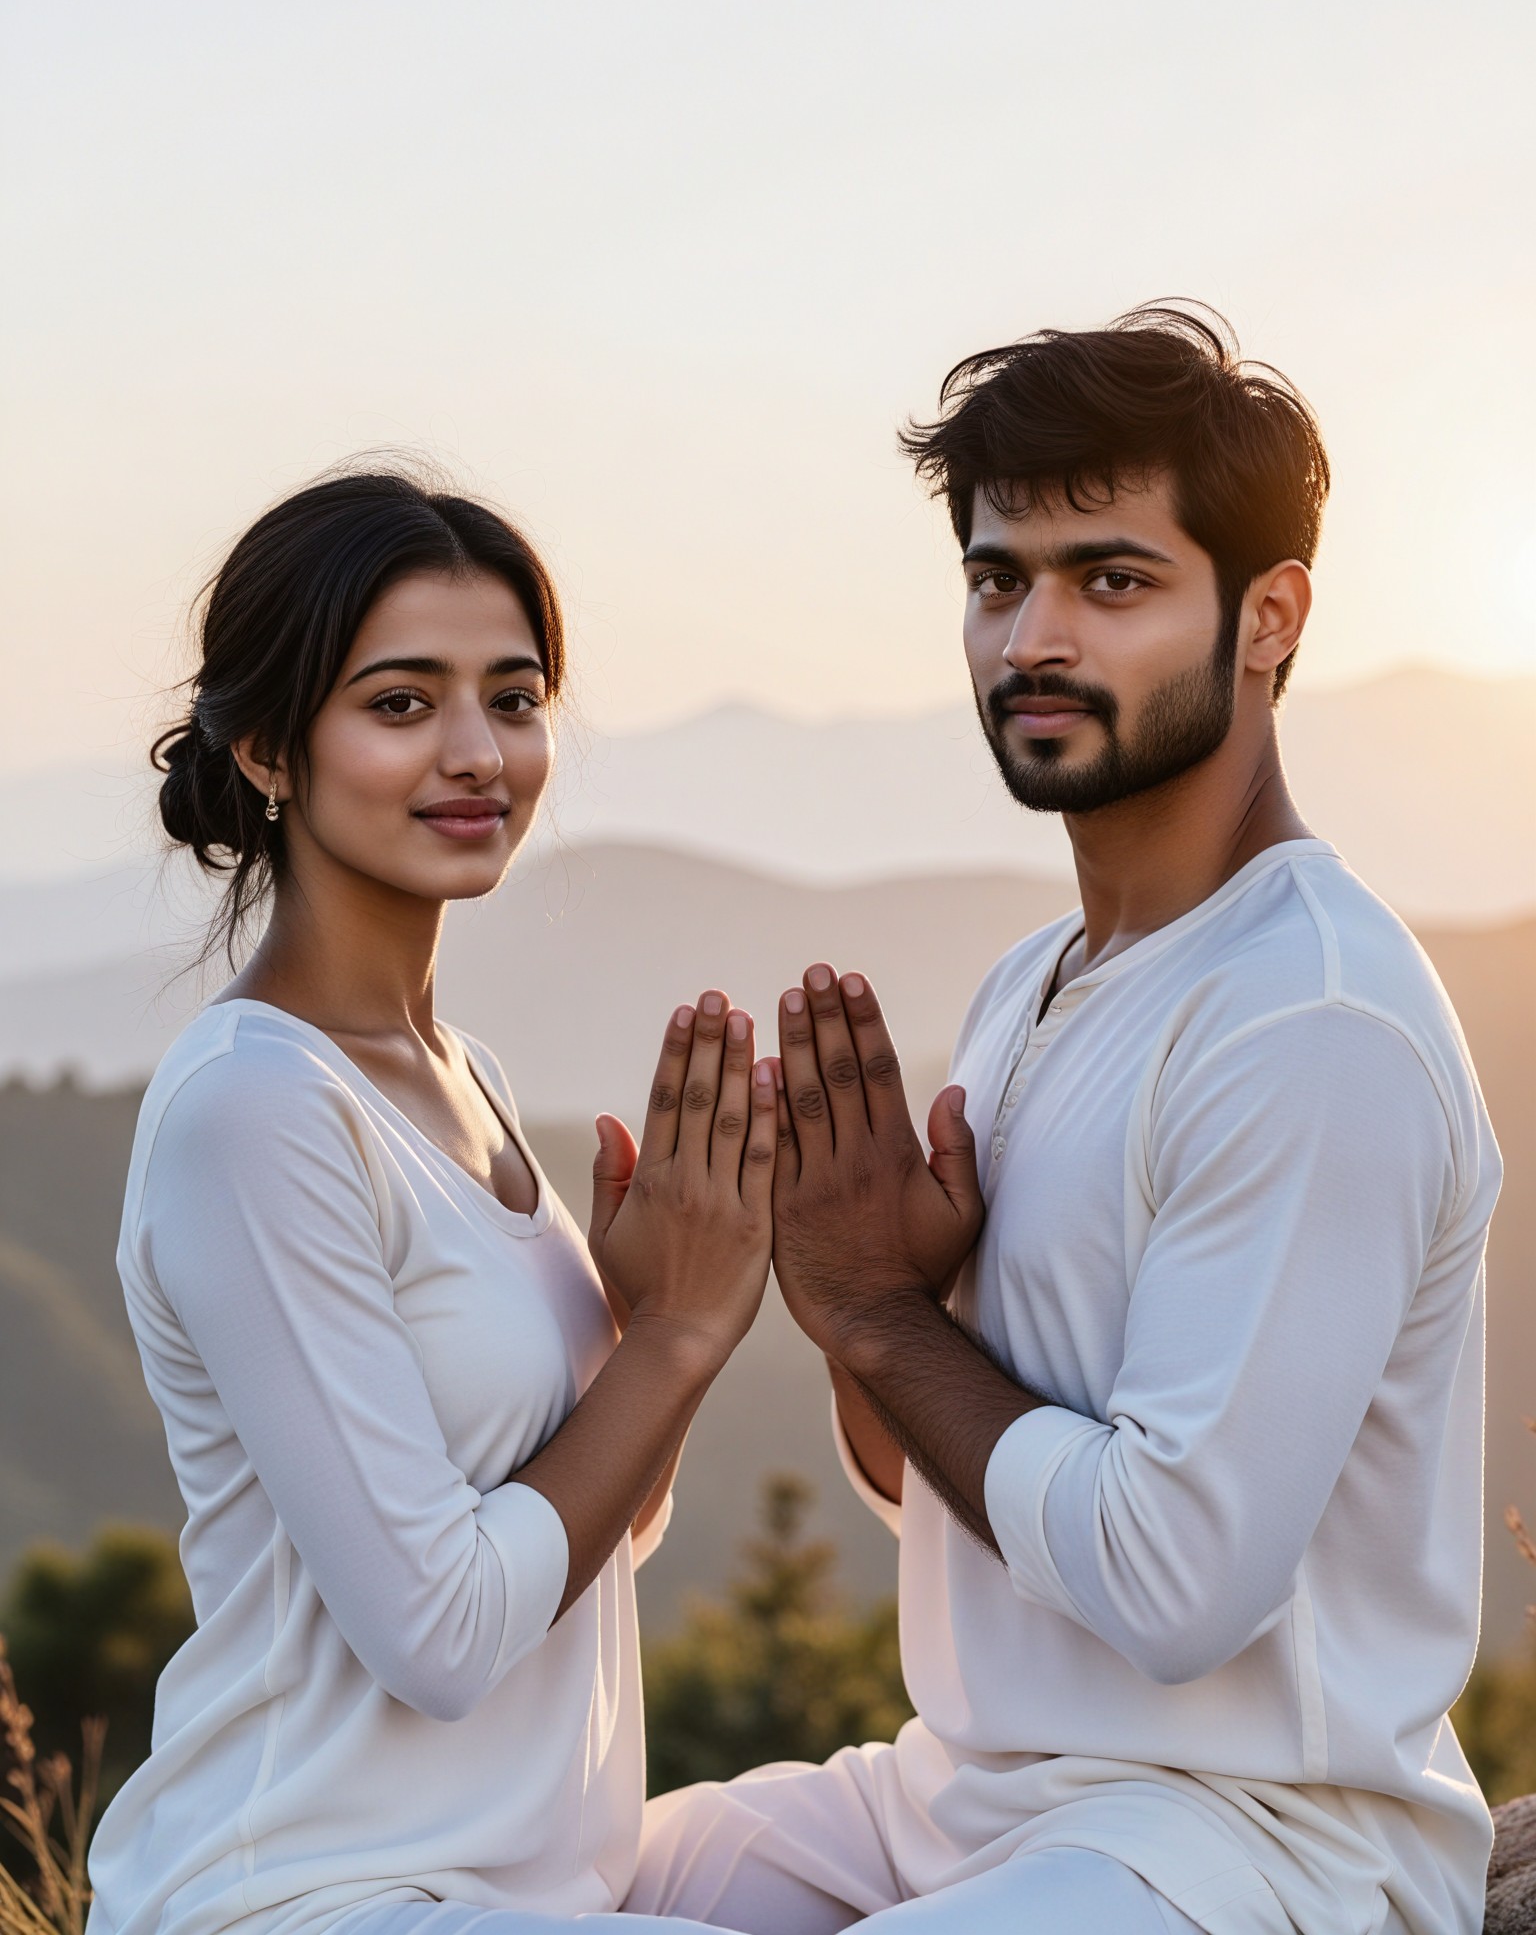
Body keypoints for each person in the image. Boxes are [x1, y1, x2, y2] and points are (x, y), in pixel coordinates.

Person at [628, 307, 1502, 1935]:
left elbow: (1171, 1585)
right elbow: (938, 1486)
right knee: (537, 1883)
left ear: (1269, 616)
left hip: (1251, 1848)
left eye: (1112, 582)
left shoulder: (1309, 1017)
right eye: (994, 579)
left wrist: (884, 1313)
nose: (1033, 636)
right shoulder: (1042, 978)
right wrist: (849, 1310)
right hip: (962, 1795)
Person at [86, 471, 777, 1935]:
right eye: (402, 703)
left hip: (523, 1890)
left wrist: (650, 1316)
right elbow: (447, 1633)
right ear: (273, 745)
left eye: (513, 699)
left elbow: (597, 1538)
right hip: (310, 1899)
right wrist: (680, 1340)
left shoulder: (463, 1073)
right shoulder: (256, 1111)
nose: (477, 754)